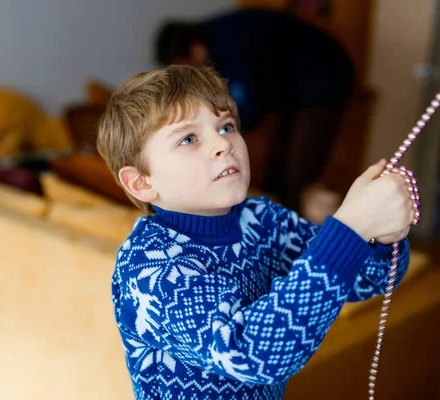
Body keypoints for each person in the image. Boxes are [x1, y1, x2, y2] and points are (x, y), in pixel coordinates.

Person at [97, 66, 413, 400]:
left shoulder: (262, 221)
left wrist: (383, 235)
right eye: (188, 138)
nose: (223, 143)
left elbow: (369, 278)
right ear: (142, 183)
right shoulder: (149, 268)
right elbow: (253, 354)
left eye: (227, 125)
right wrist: (351, 227)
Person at [155, 9, 356, 210]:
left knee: (299, 172)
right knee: (278, 168)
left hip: (325, 76)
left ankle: (298, 226)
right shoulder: (218, 37)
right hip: (297, 87)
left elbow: (250, 107)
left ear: (195, 49)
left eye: (185, 64)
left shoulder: (229, 45)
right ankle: (281, 211)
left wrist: (221, 130)